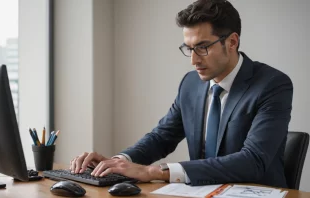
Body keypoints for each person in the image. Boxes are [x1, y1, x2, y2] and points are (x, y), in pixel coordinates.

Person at [70, 0, 293, 188]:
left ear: (232, 42)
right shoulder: (191, 84)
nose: (193, 60)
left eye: (203, 47)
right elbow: (161, 137)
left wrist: (155, 171)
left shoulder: (272, 84)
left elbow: (253, 161)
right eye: (189, 48)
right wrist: (118, 162)